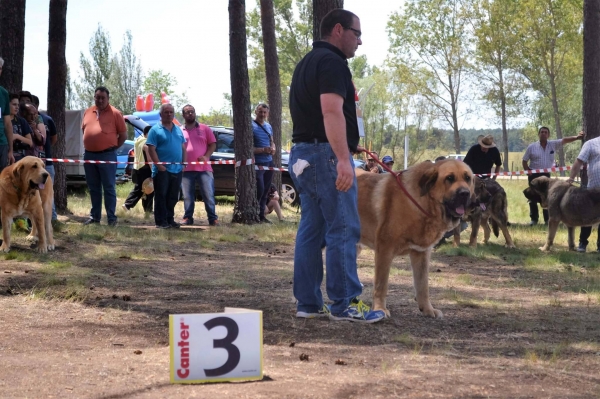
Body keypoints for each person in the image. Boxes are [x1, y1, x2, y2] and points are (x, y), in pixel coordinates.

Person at [289, 8, 384, 323]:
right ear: (339, 30)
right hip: (325, 156)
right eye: (357, 34)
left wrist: (346, 147)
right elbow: (331, 112)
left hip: (303, 153)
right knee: (344, 228)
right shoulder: (332, 63)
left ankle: (308, 304)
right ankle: (345, 305)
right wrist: (344, 159)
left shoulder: (307, 63)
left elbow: (318, 115)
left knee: (312, 230)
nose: (360, 41)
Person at [81, 86, 127, 226]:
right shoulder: (88, 112)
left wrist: (111, 149)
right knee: (93, 188)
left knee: (109, 187)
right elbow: (84, 130)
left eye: (103, 98)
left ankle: (111, 218)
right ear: (94, 97)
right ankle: (95, 217)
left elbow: (123, 135)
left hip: (107, 155)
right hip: (89, 155)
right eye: (97, 97)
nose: (100, 100)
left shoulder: (115, 113)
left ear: (108, 99)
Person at [522, 126, 583, 226]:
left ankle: (547, 220)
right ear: (539, 134)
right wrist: (527, 170)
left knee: (547, 197)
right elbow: (524, 160)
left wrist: (577, 137)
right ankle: (534, 219)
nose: (544, 134)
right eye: (542, 132)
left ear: (548, 135)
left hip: (546, 177)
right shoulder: (531, 147)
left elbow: (564, 140)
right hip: (534, 175)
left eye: (546, 132)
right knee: (532, 198)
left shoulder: (553, 144)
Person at [146, 103, 186, 229]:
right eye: (166, 112)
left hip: (177, 169)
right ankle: (160, 221)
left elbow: (183, 147)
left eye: (171, 112)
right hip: (162, 170)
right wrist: (159, 166)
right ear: (161, 114)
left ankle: (170, 219)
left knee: (173, 196)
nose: (169, 114)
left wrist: (184, 164)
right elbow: (151, 149)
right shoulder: (155, 130)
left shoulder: (178, 129)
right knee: (161, 196)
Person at [180, 104, 219, 226]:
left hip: (204, 169)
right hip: (186, 169)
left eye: (192, 111)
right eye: (187, 112)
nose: (190, 114)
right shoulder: (179, 130)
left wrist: (206, 156)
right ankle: (188, 218)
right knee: (187, 196)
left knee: (208, 194)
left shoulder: (204, 128)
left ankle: (213, 219)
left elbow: (213, 144)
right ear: (183, 115)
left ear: (195, 113)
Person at [567, 133, 600, 252]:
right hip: (593, 190)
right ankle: (582, 244)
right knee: (588, 217)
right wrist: (571, 178)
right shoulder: (591, 144)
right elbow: (578, 162)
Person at [32, 95, 59, 222]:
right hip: (31, 166)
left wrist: (44, 149)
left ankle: (52, 219)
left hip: (46, 163)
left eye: (32, 105)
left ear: (37, 106)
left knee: (47, 193)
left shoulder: (47, 119)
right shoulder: (24, 121)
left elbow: (53, 139)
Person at [252, 103, 276, 224]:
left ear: (268, 113)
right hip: (257, 164)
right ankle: (253, 213)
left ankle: (261, 215)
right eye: (260, 112)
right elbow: (247, 148)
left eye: (264, 112)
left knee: (266, 189)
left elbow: (272, 141)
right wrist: (262, 150)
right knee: (259, 189)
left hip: (269, 162)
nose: (262, 114)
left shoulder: (268, 126)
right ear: (256, 111)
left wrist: (273, 148)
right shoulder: (251, 126)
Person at [122, 125, 154, 213]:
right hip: (145, 169)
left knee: (140, 188)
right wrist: (153, 171)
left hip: (137, 168)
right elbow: (149, 159)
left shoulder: (138, 140)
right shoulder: (147, 143)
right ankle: (128, 204)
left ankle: (147, 210)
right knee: (148, 189)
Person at [0, 57, 15, 170]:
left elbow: (7, 123)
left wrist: (11, 150)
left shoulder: (3, 93)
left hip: (2, 144)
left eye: (0, 69)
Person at [9, 94, 33, 162]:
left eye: (18, 105)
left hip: (19, 160)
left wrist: (17, 136)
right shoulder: (2, 120)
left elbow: (30, 143)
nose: (17, 107)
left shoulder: (22, 121)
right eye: (14, 104)